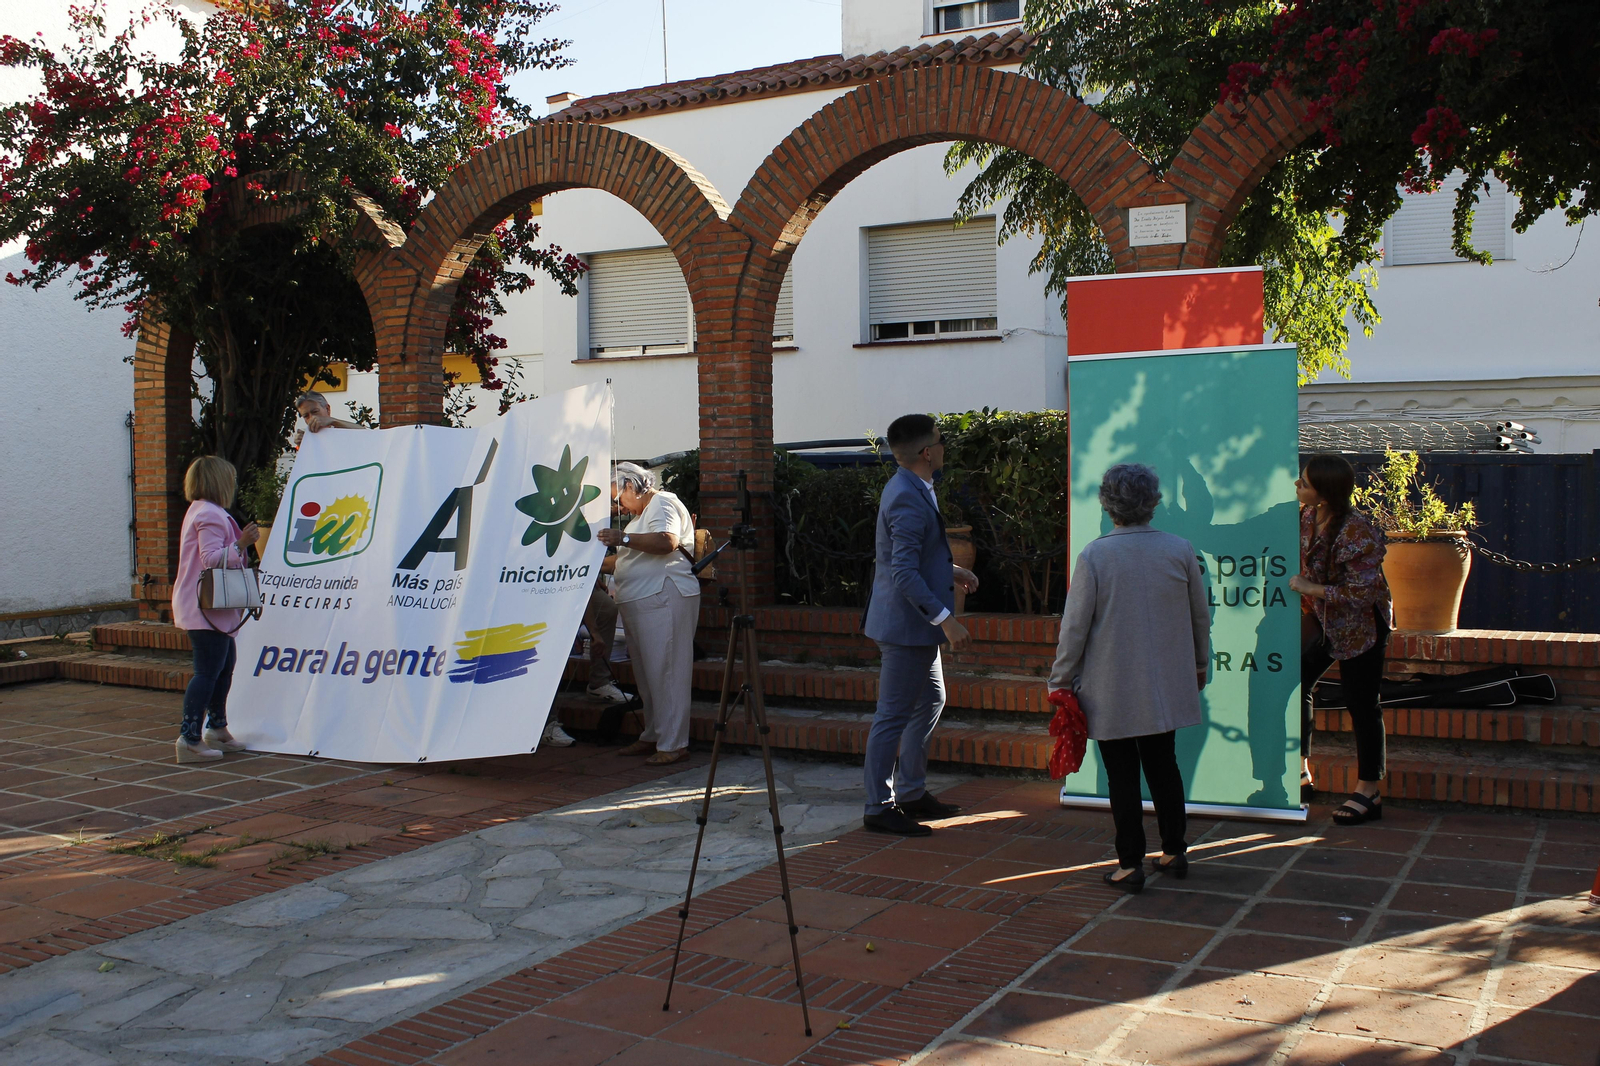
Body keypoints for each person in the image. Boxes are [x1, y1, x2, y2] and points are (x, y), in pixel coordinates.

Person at [1049, 464, 1210, 893]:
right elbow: (1200, 617)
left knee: (1120, 774)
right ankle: (1175, 849)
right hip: (1165, 684)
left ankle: (1129, 863)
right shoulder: (1180, 549)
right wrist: (1200, 664)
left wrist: (1059, 679)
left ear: (1107, 502)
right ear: (1153, 502)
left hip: (1111, 684)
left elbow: (1075, 627)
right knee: (1164, 765)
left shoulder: (1095, 555)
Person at [860, 414, 979, 837]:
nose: (945, 446)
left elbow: (907, 557)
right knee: (892, 715)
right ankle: (879, 805)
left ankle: (911, 792)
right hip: (904, 626)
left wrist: (952, 571)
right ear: (927, 452)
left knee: (930, 701)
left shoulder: (914, 485)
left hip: (910, 624)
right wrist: (947, 620)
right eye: (941, 440)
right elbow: (903, 573)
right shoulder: (907, 494)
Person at [1292, 455, 1393, 826]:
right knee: (1295, 680)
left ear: (1325, 491)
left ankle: (1369, 791)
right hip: (1324, 619)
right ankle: (1300, 770)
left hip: (1362, 626)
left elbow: (1362, 595)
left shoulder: (1357, 531)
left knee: (1362, 703)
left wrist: (1311, 588)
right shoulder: (1305, 517)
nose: (1297, 486)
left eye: (1303, 482)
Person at [596, 462, 699, 766]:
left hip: (663, 595)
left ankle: (673, 743)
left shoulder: (662, 502)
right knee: (648, 674)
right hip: (642, 599)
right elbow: (622, 561)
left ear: (631, 486)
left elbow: (667, 541)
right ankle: (654, 735)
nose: (618, 506)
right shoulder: (639, 519)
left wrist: (622, 538)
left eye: (618, 498)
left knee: (666, 671)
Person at [171, 456, 259, 764]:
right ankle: (191, 737)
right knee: (209, 672)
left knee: (223, 667)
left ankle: (217, 728)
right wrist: (242, 543)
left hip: (211, 608)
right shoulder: (209, 514)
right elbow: (210, 559)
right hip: (207, 608)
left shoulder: (202, 510)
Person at [296, 390, 360, 434]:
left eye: (315, 412)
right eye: (306, 416)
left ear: (327, 409)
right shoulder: (307, 436)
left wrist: (333, 421)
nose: (312, 418)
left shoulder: (340, 430)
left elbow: (365, 433)